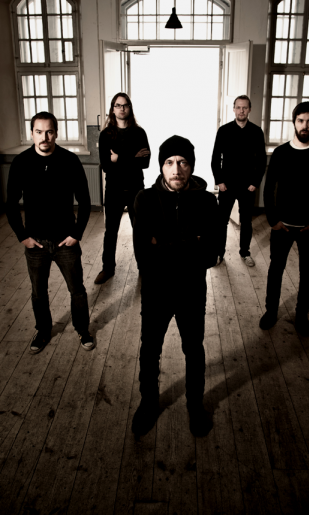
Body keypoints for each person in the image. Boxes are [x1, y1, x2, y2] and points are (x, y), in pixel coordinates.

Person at [132, 135, 218, 437]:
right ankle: (148, 404)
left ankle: (195, 405)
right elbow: (143, 255)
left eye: (182, 162)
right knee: (150, 349)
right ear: (161, 166)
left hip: (192, 291)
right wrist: (190, 243)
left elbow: (210, 254)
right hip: (156, 291)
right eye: (169, 162)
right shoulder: (144, 200)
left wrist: (163, 245)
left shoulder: (207, 202)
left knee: (193, 349)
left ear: (191, 166)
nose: (176, 169)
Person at [6, 112, 93, 354]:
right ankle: (43, 331)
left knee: (77, 291)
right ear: (31, 133)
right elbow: (11, 203)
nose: (44, 137)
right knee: (38, 293)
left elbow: (85, 201)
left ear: (56, 133)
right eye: (39, 132)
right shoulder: (21, 162)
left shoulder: (70, 161)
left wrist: (77, 233)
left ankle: (82, 329)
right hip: (36, 242)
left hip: (66, 240)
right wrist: (23, 236)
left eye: (49, 132)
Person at [260, 101, 309, 337]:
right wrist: (273, 220)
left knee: (307, 274)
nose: (305, 125)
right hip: (282, 226)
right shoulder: (281, 153)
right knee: (276, 270)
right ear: (294, 122)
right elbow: (268, 188)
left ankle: (301, 316)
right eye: (301, 120)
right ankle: (271, 312)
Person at [94, 92, 150, 284]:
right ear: (112, 109)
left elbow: (145, 163)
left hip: (136, 190)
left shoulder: (139, 133)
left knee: (140, 231)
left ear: (129, 108)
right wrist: (133, 157)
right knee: (110, 232)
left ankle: (144, 268)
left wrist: (119, 158)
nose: (122, 108)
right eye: (118, 105)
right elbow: (106, 166)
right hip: (114, 190)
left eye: (125, 105)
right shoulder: (105, 135)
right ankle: (107, 269)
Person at [211, 95, 266, 266]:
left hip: (247, 186)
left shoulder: (256, 132)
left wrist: (255, 183)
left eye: (245, 108)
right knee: (221, 221)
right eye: (238, 107)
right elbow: (215, 158)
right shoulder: (224, 130)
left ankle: (245, 252)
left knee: (246, 221)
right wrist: (219, 181)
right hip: (226, 185)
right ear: (234, 109)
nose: (241, 111)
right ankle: (219, 253)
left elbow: (262, 160)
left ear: (249, 109)